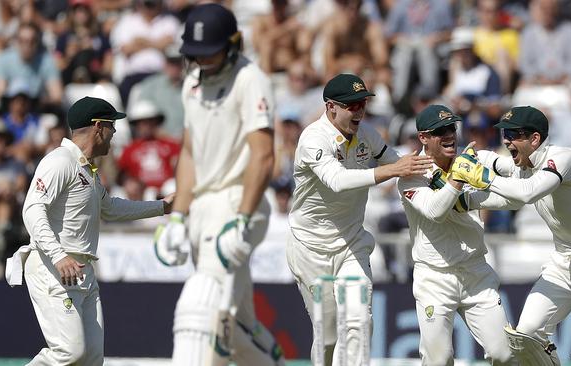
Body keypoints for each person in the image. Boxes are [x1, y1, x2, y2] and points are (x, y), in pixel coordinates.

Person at [153, 4, 285, 366]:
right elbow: (191, 154)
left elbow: (262, 155)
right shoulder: (192, 84)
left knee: (199, 306)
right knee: (233, 320)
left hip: (239, 202)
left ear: (232, 44)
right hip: (201, 208)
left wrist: (243, 219)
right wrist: (178, 217)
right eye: (197, 55)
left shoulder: (249, 79)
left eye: (210, 53)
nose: (204, 62)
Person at [453, 106, 571, 365]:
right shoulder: (524, 165)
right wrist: (466, 197)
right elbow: (510, 196)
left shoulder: (563, 158)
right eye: (505, 134)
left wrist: (482, 176)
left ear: (535, 139)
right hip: (564, 263)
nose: (506, 140)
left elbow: (528, 192)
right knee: (525, 337)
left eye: (513, 135)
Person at [9, 96, 172, 365]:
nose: (115, 133)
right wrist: (59, 256)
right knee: (69, 353)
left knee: (91, 359)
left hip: (82, 272)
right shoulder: (60, 161)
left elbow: (110, 209)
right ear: (98, 126)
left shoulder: (87, 169)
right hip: (54, 267)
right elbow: (32, 210)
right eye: (111, 126)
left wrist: (162, 207)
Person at [287, 73, 433, 366]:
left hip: (351, 243)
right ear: (331, 108)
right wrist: (393, 171)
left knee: (359, 321)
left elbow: (400, 164)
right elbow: (337, 181)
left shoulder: (367, 135)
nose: (359, 111)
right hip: (310, 248)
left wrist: (446, 176)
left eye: (362, 104)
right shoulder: (313, 138)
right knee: (328, 337)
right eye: (352, 105)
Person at [396, 105, 513, 365]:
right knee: (439, 359)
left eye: (451, 128)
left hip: (475, 274)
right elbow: (435, 211)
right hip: (434, 278)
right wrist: (458, 177)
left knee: (503, 354)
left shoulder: (474, 159)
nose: (449, 135)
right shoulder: (411, 175)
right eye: (440, 131)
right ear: (423, 138)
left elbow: (510, 174)